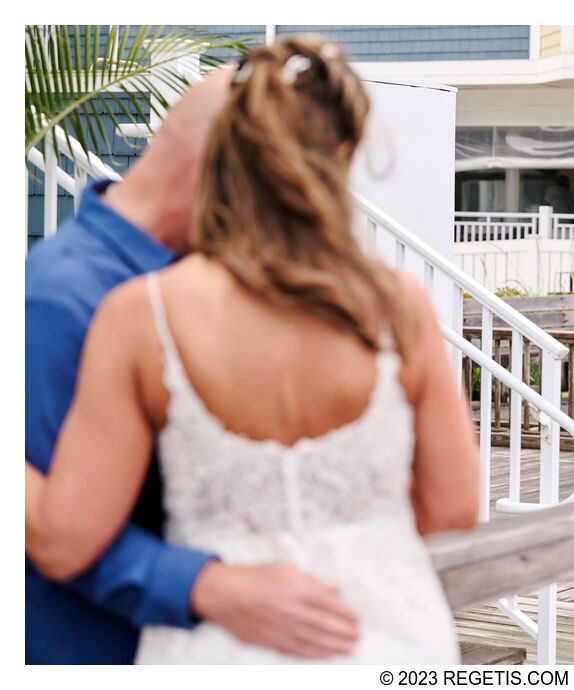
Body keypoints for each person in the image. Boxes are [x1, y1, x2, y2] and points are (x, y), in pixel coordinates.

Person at [26, 37, 479, 663]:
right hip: (382, 637)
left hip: (218, 653)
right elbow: (453, 506)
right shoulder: (401, 305)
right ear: (343, 155)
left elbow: (65, 539)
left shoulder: (141, 314)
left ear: (223, 157)